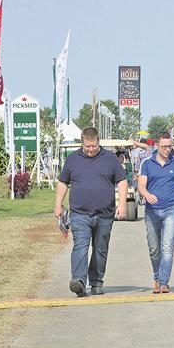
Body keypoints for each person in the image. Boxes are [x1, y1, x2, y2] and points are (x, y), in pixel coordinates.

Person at [55, 127, 128, 297]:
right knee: (80, 245)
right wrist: (58, 204)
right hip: (80, 213)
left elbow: (122, 181)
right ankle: (79, 281)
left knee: (100, 249)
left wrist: (122, 204)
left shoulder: (110, 159)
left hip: (105, 214)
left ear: (98, 142)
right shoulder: (72, 160)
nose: (90, 149)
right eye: (87, 146)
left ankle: (96, 282)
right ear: (82, 143)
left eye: (93, 146)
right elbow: (63, 182)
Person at [137, 132, 174, 294]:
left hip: (170, 210)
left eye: (170, 146)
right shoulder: (147, 163)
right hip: (152, 212)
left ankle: (164, 282)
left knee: (167, 247)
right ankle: (157, 277)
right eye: (164, 146)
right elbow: (141, 186)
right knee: (154, 248)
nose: (167, 149)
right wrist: (146, 195)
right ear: (157, 146)